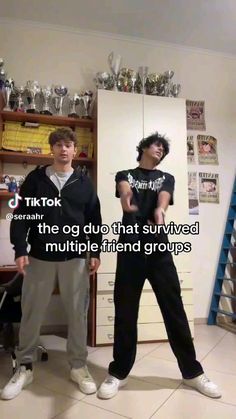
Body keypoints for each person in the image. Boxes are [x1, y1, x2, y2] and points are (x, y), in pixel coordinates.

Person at [97, 132, 221, 400]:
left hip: (159, 250)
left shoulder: (166, 177)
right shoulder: (125, 173)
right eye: (157, 145)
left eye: (164, 149)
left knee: (174, 308)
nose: (161, 150)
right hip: (130, 248)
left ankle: (192, 373)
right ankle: (118, 372)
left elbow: (164, 195)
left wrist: (160, 210)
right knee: (125, 310)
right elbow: (124, 189)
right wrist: (126, 201)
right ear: (143, 147)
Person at [1, 127, 102, 400]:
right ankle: (24, 367)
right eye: (58, 144)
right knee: (31, 312)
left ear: (74, 149)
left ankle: (79, 366)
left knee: (77, 315)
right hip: (40, 257)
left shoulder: (83, 183)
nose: (63, 149)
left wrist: (95, 251)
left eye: (68, 144)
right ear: (51, 149)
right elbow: (20, 215)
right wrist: (20, 249)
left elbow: (94, 219)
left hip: (75, 258)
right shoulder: (35, 180)